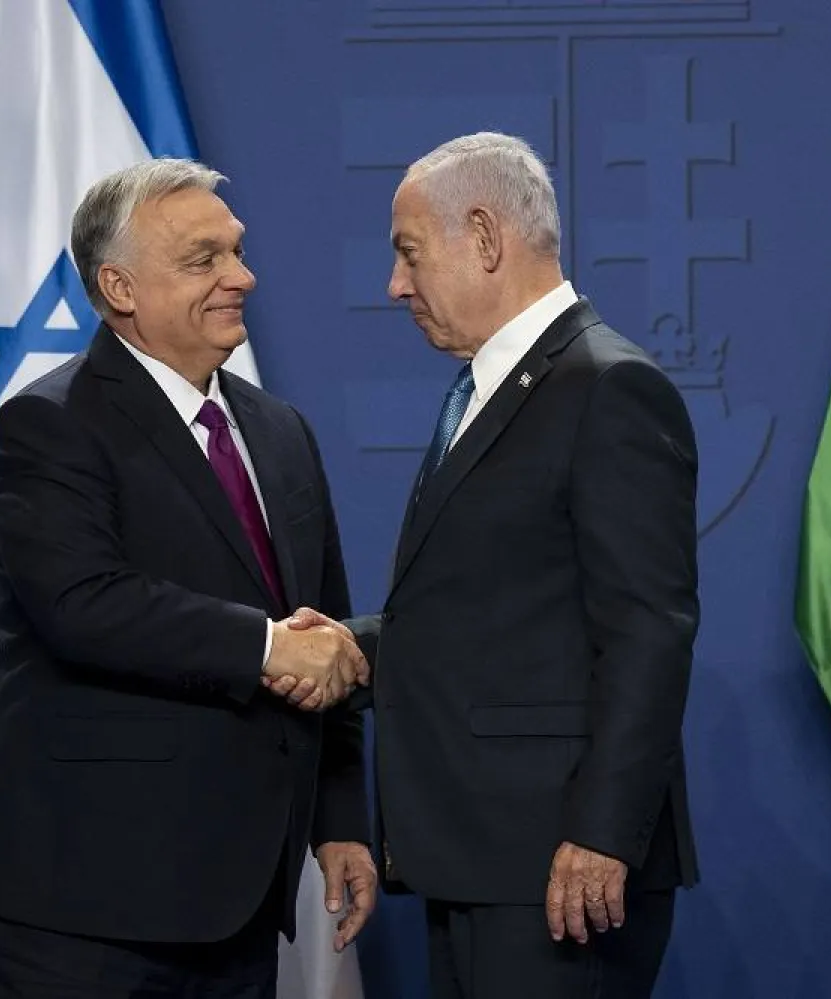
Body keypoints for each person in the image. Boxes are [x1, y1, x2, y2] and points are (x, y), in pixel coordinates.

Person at [0, 158, 377, 999]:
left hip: (239, 898)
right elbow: (81, 604)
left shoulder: (279, 431)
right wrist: (263, 648)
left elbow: (323, 633)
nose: (241, 276)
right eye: (203, 259)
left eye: (237, 252)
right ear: (120, 286)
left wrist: (339, 819)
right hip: (79, 903)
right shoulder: (49, 423)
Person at [288, 132, 700, 997]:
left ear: (483, 237)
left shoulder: (607, 387)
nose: (395, 285)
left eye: (408, 253)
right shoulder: (490, 389)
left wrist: (602, 834)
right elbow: (487, 616)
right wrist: (347, 646)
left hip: (560, 872)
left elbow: (648, 631)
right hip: (483, 859)